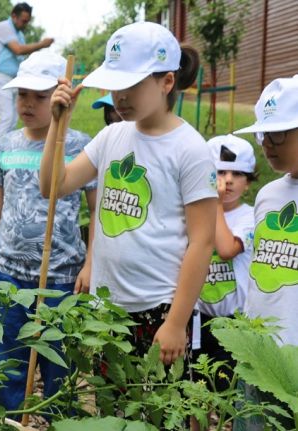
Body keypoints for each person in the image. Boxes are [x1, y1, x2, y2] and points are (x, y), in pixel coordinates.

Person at [39, 22, 217, 368]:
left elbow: (202, 241)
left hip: (161, 308)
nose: (120, 96)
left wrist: (177, 322)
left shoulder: (190, 148)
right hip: (108, 308)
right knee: (116, 413)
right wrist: (57, 125)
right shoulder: (112, 137)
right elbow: (53, 185)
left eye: (131, 85)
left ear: (167, 82)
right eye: (115, 84)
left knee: (161, 414)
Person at [0, 51, 96, 414]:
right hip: (8, 276)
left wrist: (91, 264)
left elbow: (96, 212)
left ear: (61, 97)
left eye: (39, 96)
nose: (28, 103)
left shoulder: (80, 145)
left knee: (59, 367)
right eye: (22, 94)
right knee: (8, 363)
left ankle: (63, 420)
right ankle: (8, 418)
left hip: (59, 279)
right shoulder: (7, 144)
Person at [231, 74, 298, 431]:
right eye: (263, 134)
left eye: (279, 133)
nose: (267, 144)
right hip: (257, 351)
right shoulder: (268, 195)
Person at [195, 135, 256, 392]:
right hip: (198, 317)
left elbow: (226, 248)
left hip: (233, 320)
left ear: (249, 183)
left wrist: (216, 204)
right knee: (195, 390)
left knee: (226, 392)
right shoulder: (194, 211)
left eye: (237, 173)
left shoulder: (250, 216)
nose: (228, 180)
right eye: (220, 172)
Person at [0, 2, 54, 140]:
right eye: (23, 21)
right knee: (7, 116)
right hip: (0, 77)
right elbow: (18, 50)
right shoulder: (4, 27)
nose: (25, 24)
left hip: (14, 80)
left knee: (14, 118)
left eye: (27, 21)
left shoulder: (19, 35)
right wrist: (42, 44)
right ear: (13, 16)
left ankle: (8, 149)